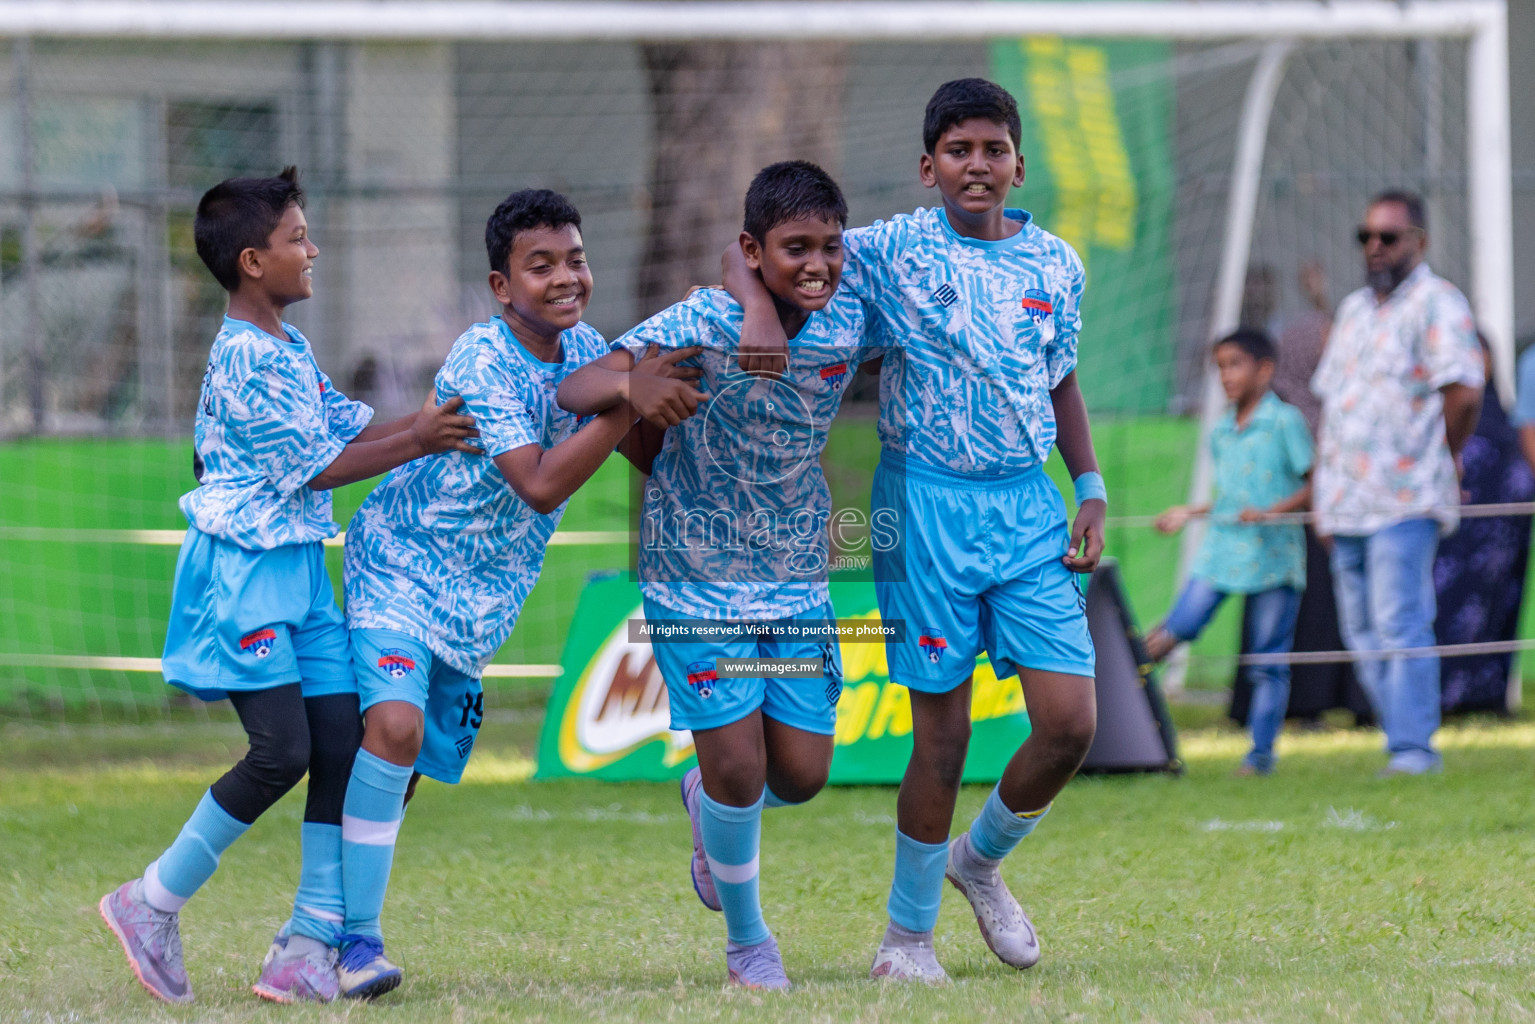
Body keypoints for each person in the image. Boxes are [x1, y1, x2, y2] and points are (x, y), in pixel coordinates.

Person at [727, 78, 1105, 983]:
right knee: (941, 736)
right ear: (926, 166)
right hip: (921, 509)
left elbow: (1059, 379)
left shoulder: (1057, 263)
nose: (977, 165)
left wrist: (1086, 484)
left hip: (1025, 508)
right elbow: (772, 255)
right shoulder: (884, 249)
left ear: (1019, 162)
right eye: (958, 150)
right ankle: (906, 941)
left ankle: (979, 861)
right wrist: (749, 309)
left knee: (1068, 723)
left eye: (993, 149)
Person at [98, 167, 478, 1005]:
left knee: (341, 744)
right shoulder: (243, 356)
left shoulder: (287, 346)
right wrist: (421, 435)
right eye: (297, 239)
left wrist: (439, 417)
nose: (313, 249)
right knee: (284, 750)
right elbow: (323, 465)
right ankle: (149, 901)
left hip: (302, 572)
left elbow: (343, 427)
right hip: (245, 575)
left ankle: (306, 946)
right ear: (252, 262)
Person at [333, 189, 698, 998]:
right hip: (400, 561)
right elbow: (536, 484)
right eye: (540, 266)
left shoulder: (590, 349)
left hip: (480, 602)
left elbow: (644, 449)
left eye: (574, 259)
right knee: (390, 729)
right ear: (502, 287)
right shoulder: (482, 358)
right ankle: (353, 943)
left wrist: (693, 420)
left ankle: (319, 925)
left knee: (409, 764)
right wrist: (623, 403)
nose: (564, 277)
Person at [559, 161, 880, 990]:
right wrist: (636, 382)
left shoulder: (852, 314)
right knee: (740, 764)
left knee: (801, 775)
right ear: (751, 248)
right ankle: (748, 945)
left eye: (828, 248)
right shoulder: (704, 317)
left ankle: (707, 804)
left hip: (796, 577)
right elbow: (577, 385)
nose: (816, 264)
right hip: (691, 577)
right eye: (792, 249)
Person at [1311, 189, 1483, 776]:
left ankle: (1414, 749)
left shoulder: (1439, 303)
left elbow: (1464, 391)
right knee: (1362, 630)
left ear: (1420, 241)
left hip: (1405, 500)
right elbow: (1333, 407)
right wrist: (1322, 498)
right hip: (1345, 502)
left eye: (1389, 237)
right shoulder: (1356, 308)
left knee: (1399, 621)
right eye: (1366, 237)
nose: (1375, 248)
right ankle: (1401, 738)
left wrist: (1443, 455)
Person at [1145, 328, 1313, 775]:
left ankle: (1259, 757)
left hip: (1274, 555)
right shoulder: (1220, 430)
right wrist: (1188, 511)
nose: (1226, 375)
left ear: (1265, 369)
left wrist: (1273, 512)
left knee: (1267, 660)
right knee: (1172, 630)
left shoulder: (1285, 422)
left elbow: (1316, 485)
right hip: (1222, 550)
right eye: (1220, 366)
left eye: (1235, 364)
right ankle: (1127, 724)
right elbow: (1230, 497)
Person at [1434, 333, 1535, 713]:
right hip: (1453, 539)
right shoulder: (1440, 415)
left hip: (1503, 539)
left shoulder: (1499, 411)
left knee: (1498, 610)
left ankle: (1488, 696)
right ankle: (1444, 697)